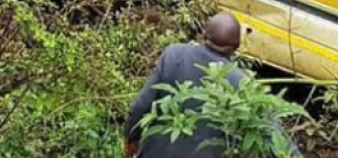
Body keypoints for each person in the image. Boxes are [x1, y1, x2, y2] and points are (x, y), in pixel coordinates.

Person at [124, 13, 300, 158]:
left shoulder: (174, 54)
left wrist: (131, 138)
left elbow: (140, 106)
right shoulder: (242, 83)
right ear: (236, 47)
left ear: (204, 34)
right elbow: (275, 135)